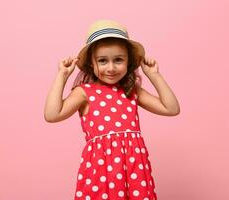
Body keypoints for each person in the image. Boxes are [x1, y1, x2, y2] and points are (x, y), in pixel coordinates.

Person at [44, 19, 180, 200]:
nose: (111, 68)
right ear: (92, 64)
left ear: (129, 61)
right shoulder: (84, 92)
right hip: (102, 169)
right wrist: (61, 76)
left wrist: (154, 75)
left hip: (134, 169)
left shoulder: (131, 90)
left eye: (118, 60)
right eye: (102, 61)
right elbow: (52, 115)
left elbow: (171, 108)